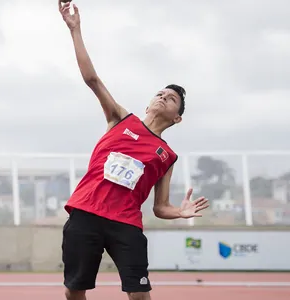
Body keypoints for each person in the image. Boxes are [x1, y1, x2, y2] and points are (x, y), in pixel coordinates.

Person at [57, 1, 210, 300]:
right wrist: (75, 30)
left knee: (140, 294)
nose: (164, 96)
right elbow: (92, 79)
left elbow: (159, 207)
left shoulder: (167, 156)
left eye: (172, 99)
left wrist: (179, 212)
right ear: (148, 104)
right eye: (161, 93)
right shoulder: (120, 119)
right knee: (74, 290)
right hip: (86, 213)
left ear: (177, 118)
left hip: (125, 224)